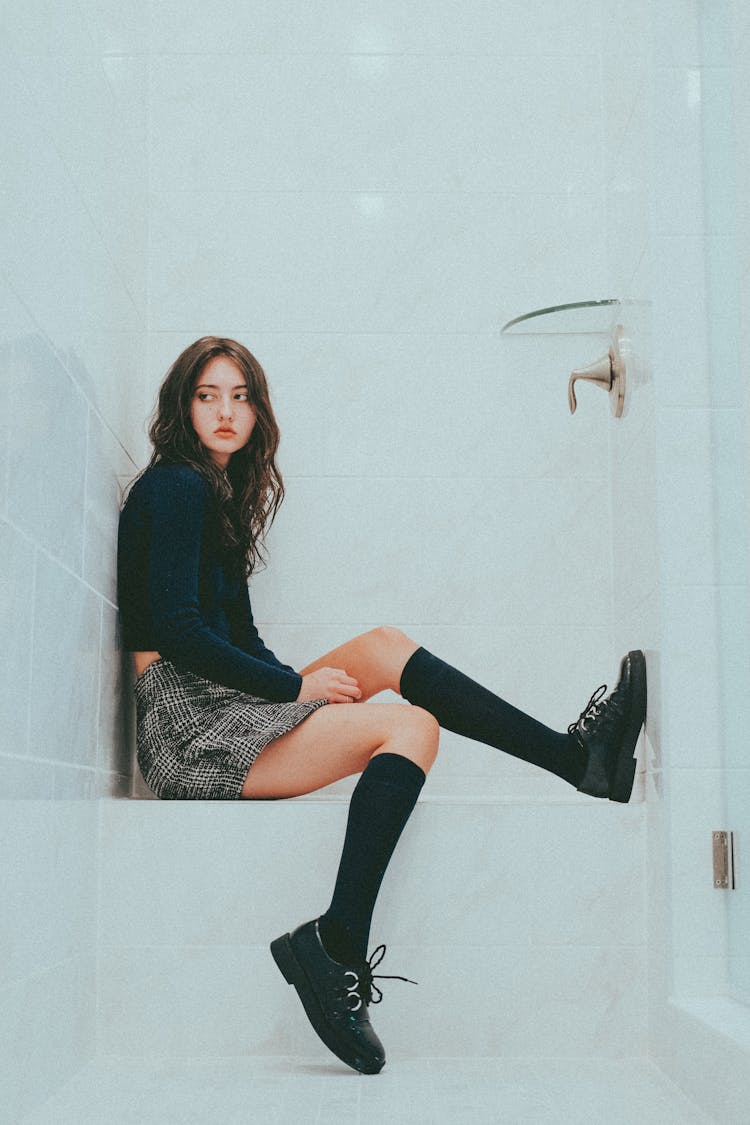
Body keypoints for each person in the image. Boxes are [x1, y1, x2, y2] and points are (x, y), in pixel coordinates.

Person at [117, 335, 647, 1076]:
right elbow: (178, 630)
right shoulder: (175, 486)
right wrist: (295, 691)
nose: (226, 411)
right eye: (208, 395)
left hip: (220, 700)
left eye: (240, 395)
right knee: (410, 724)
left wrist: (293, 686)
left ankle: (577, 759)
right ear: (183, 405)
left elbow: (239, 637)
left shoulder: (217, 494)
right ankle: (336, 944)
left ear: (258, 409)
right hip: (185, 726)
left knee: (381, 647)